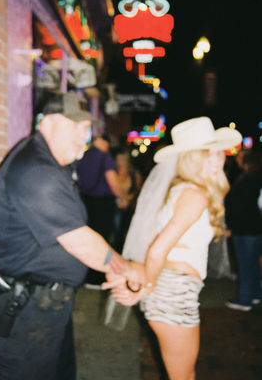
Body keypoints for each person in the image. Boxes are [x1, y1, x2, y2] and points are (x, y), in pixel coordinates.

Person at [0, 92, 144, 380]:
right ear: (47, 122)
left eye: (86, 128)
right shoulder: (36, 170)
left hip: (40, 311)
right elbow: (80, 242)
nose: (83, 135)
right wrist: (126, 269)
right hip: (16, 314)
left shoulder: (53, 163)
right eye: (75, 125)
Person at [103, 116, 242, 380]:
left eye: (218, 153)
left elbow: (157, 239)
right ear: (190, 158)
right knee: (183, 376)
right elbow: (156, 249)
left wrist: (146, 285)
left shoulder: (179, 190)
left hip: (171, 290)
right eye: (207, 155)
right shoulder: (195, 195)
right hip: (174, 293)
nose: (217, 160)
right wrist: (147, 287)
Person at [77, 135, 128, 287]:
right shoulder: (105, 158)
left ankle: (84, 275)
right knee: (102, 240)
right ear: (104, 142)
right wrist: (122, 197)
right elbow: (112, 180)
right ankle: (96, 278)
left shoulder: (84, 155)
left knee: (88, 238)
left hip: (86, 202)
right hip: (103, 204)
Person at [225, 148, 262, 311]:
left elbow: (241, 208)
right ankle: (254, 294)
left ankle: (244, 300)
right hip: (254, 227)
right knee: (252, 263)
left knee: (246, 264)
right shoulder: (252, 177)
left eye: (240, 157)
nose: (237, 159)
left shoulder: (249, 180)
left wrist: (231, 227)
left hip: (245, 229)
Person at [113, 150, 143, 253]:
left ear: (127, 160)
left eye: (122, 159)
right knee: (116, 232)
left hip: (129, 208)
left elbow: (138, 190)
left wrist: (129, 198)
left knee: (126, 232)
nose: (119, 162)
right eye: (117, 159)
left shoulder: (134, 173)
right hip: (115, 207)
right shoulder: (113, 172)